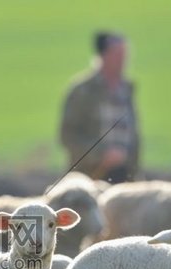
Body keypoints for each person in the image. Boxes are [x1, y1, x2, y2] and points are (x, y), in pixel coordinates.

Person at [59, 32, 140, 183]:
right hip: (89, 174)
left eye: (124, 54)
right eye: (117, 54)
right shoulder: (83, 91)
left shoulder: (127, 90)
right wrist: (102, 154)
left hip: (124, 176)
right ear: (103, 55)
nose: (122, 59)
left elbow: (134, 136)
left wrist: (134, 170)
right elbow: (67, 135)